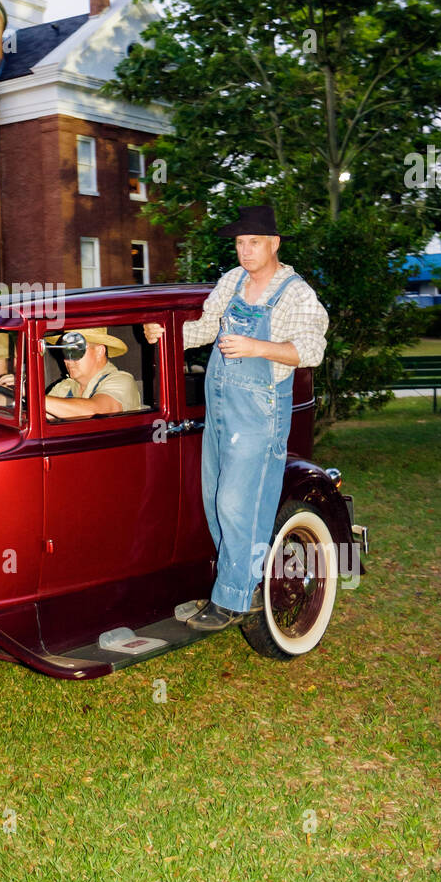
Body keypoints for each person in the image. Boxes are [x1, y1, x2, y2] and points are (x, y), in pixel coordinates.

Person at [144, 205, 328, 631]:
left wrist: (257, 347)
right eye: (241, 243)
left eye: (254, 243)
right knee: (213, 498)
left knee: (238, 503)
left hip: (261, 413)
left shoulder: (295, 293)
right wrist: (166, 335)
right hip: (221, 407)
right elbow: (207, 328)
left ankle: (233, 598)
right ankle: (230, 587)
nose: (245, 251)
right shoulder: (231, 281)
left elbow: (312, 349)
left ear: (275, 244)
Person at [45, 327, 141, 418]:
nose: (67, 360)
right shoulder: (63, 388)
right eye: (65, 351)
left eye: (75, 351)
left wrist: (37, 401)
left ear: (99, 351)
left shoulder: (122, 381)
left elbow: (97, 413)